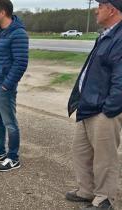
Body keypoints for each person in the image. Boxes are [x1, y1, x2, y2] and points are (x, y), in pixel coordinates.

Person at [66, 0, 122, 209]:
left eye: (100, 5)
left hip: (104, 110)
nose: (96, 9)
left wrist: (110, 109)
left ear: (112, 9)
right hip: (88, 106)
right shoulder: (106, 35)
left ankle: (104, 198)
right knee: (81, 152)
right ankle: (86, 190)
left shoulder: (119, 38)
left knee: (104, 158)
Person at [0, 0, 29, 172]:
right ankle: (0, 152)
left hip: (3, 87)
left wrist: (6, 85)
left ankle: (13, 158)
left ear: (2, 12)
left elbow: (21, 63)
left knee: (10, 123)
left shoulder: (18, 34)